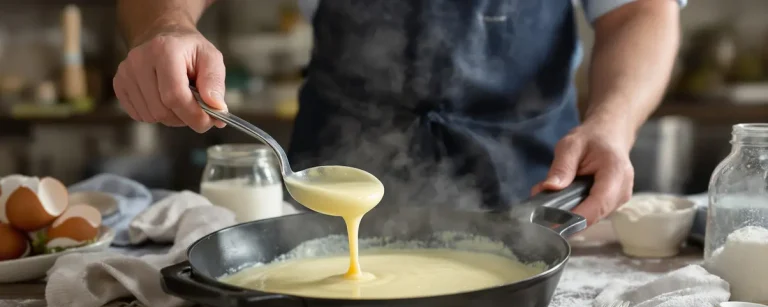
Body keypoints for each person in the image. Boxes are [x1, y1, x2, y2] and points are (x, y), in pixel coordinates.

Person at [113, 0, 683, 225]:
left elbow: (638, 9)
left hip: (532, 194)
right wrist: (168, 24)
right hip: (331, 187)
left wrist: (613, 120)